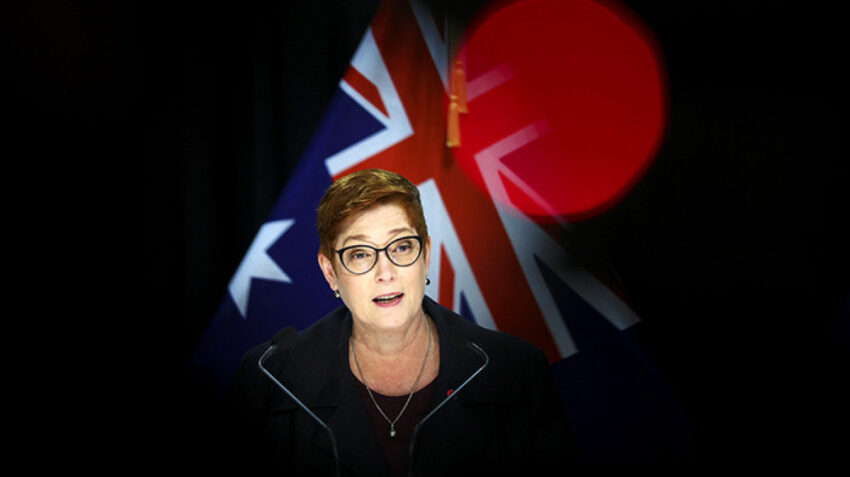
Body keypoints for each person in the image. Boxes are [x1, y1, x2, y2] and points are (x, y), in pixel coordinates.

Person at [230, 168, 574, 476]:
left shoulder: (516, 370)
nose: (386, 273)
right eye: (360, 254)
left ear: (425, 255)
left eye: (401, 247)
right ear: (330, 272)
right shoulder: (270, 378)